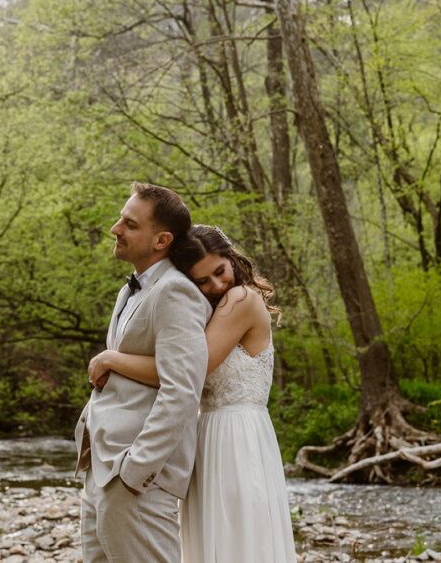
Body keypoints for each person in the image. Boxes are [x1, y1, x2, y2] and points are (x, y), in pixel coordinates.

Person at [88, 224, 298, 563]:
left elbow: (188, 372)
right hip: (206, 434)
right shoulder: (209, 309)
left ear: (231, 257)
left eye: (220, 271)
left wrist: (112, 359)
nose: (216, 285)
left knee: (237, 539)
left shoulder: (241, 299)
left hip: (236, 437)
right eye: (203, 281)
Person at [74, 183, 211, 563]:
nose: (115, 228)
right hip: (100, 469)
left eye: (129, 224)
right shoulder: (129, 291)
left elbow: (182, 392)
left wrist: (136, 472)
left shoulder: (175, 293)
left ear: (161, 239)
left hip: (134, 480)